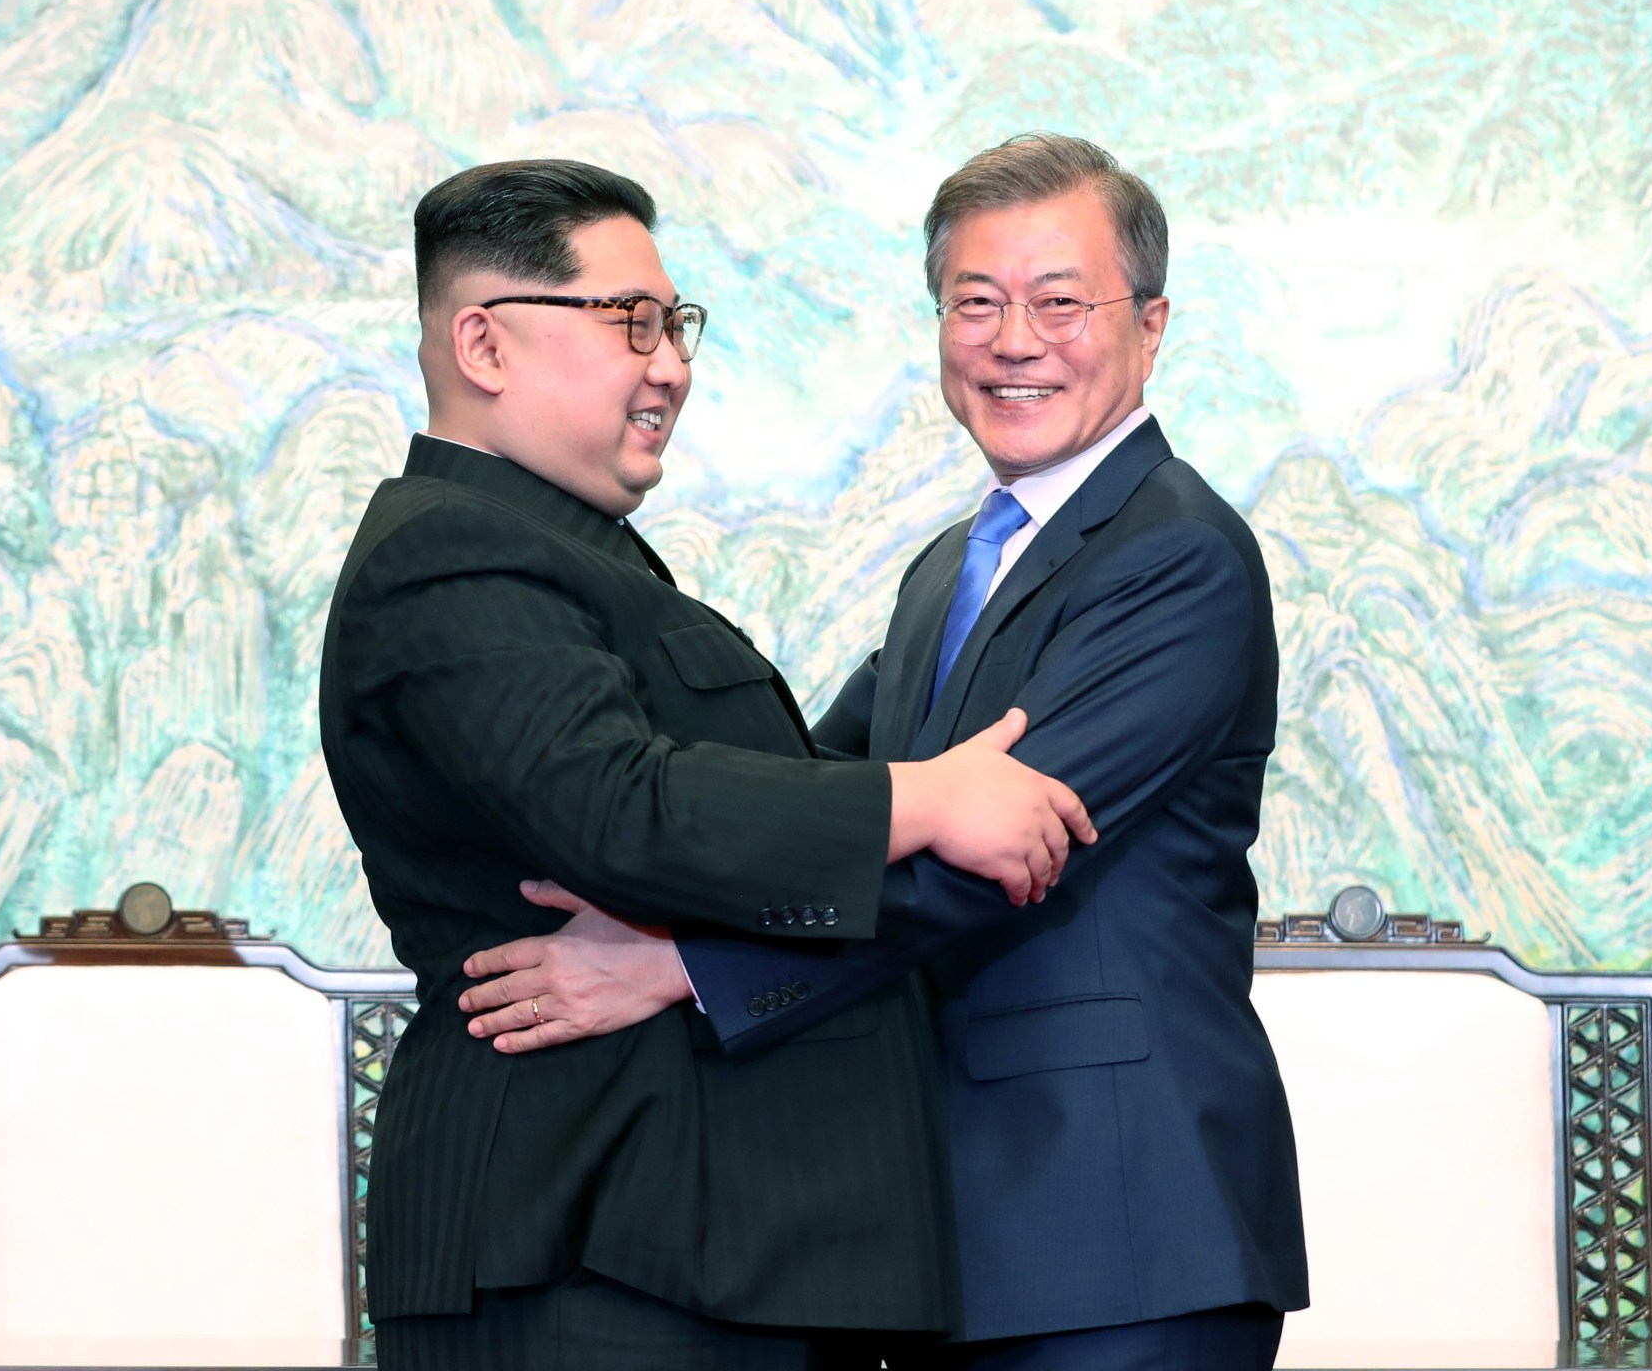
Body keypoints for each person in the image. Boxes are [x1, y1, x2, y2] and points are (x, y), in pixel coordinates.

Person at [460, 133, 1308, 1369]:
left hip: (1117, 1225)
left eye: (1060, 301)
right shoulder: (943, 575)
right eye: (976, 302)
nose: (1015, 340)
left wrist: (676, 968)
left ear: (1152, 323)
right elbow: (824, 794)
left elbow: (996, 858)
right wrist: (617, 817)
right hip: (941, 1227)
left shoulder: (1175, 556)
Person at [317, 157, 1097, 1371]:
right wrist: (925, 798)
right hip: (593, 1245)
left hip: (688, 1257)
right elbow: (623, 809)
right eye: (629, 321)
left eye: (674, 324)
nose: (670, 364)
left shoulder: (575, 557)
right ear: (483, 345)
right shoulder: (454, 556)